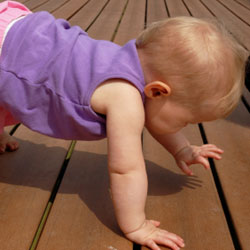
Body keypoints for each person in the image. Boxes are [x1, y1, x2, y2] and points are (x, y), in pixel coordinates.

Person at [0, 1, 247, 249]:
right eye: (186, 120)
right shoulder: (125, 99)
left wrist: (182, 149)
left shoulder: (132, 66)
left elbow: (157, 118)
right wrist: (136, 224)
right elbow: (125, 170)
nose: (183, 126)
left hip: (20, 30)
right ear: (158, 91)